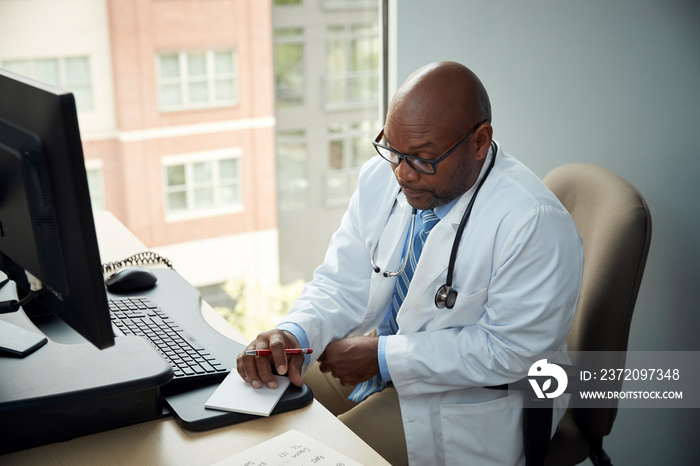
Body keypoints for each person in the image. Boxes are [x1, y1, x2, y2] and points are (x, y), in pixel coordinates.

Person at [237, 61, 584, 465]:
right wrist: (292, 333)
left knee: (314, 455)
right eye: (393, 150)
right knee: (256, 419)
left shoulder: (532, 222)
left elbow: (510, 351)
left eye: (422, 157)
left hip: (474, 402)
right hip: (382, 367)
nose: (402, 173)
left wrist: (383, 356)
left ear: (479, 141)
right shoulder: (381, 178)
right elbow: (340, 283)